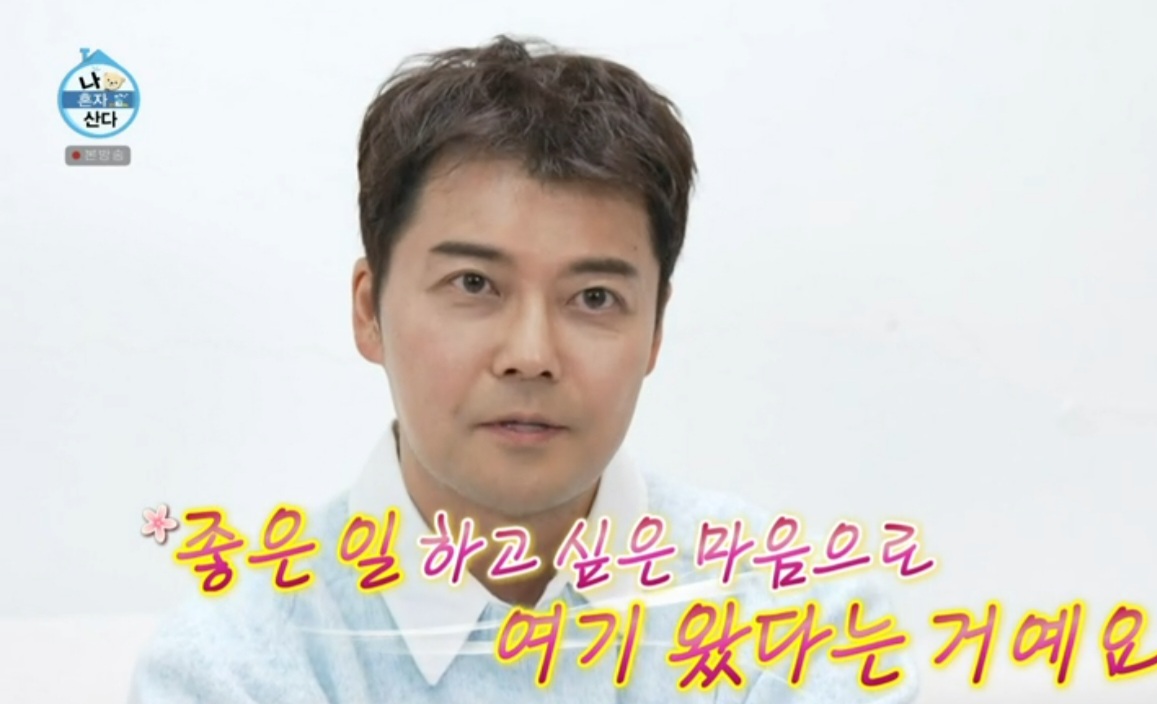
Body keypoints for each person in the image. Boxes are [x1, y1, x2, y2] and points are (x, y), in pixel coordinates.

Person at [128, 35, 919, 702]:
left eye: (594, 297)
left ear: (654, 329)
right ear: (369, 309)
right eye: (474, 284)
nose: (531, 356)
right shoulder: (231, 668)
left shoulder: (803, 627)